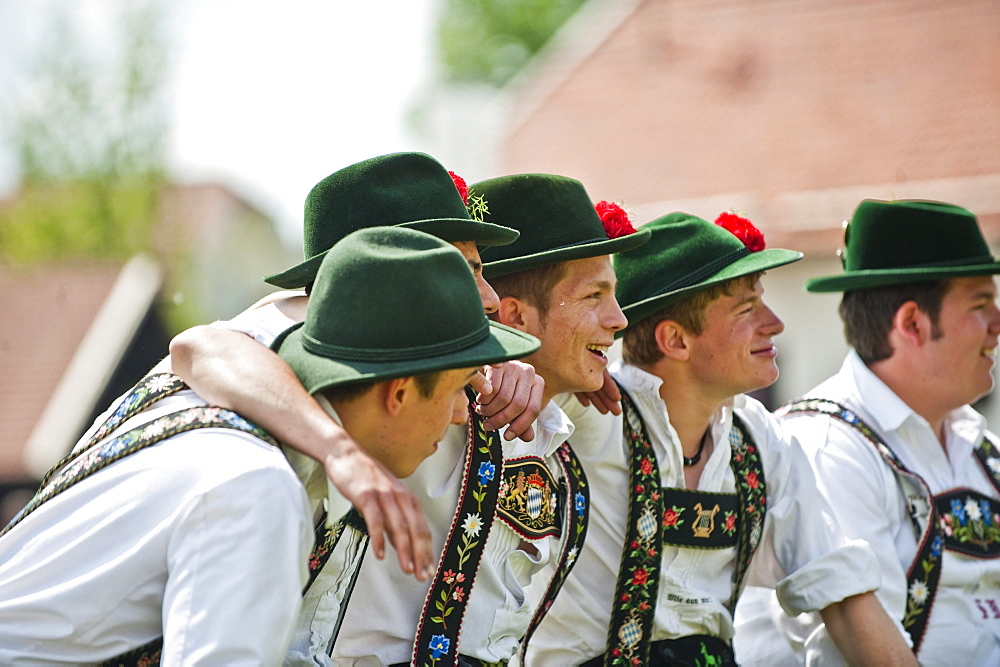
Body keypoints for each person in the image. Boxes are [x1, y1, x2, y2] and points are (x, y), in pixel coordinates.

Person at [0, 226, 539, 664]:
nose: (456, 418)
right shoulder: (258, 486)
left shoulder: (225, 426)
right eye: (454, 392)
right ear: (397, 391)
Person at [524, 211, 915, 666]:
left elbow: (841, 591)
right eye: (747, 309)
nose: (774, 324)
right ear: (676, 340)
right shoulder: (585, 414)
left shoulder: (760, 439)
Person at [167, 152, 544, 583]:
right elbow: (195, 345)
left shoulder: (369, 345)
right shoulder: (285, 326)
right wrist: (342, 454)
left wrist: (486, 366)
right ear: (391, 271)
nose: (492, 298)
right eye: (466, 271)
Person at [331, 173, 650, 664]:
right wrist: (474, 360)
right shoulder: (421, 395)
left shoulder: (573, 419)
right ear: (516, 316)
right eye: (594, 297)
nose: (619, 318)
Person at [736, 199, 1000, 666]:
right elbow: (859, 652)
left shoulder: (978, 445)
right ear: (913, 323)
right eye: (982, 305)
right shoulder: (823, 446)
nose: (997, 326)